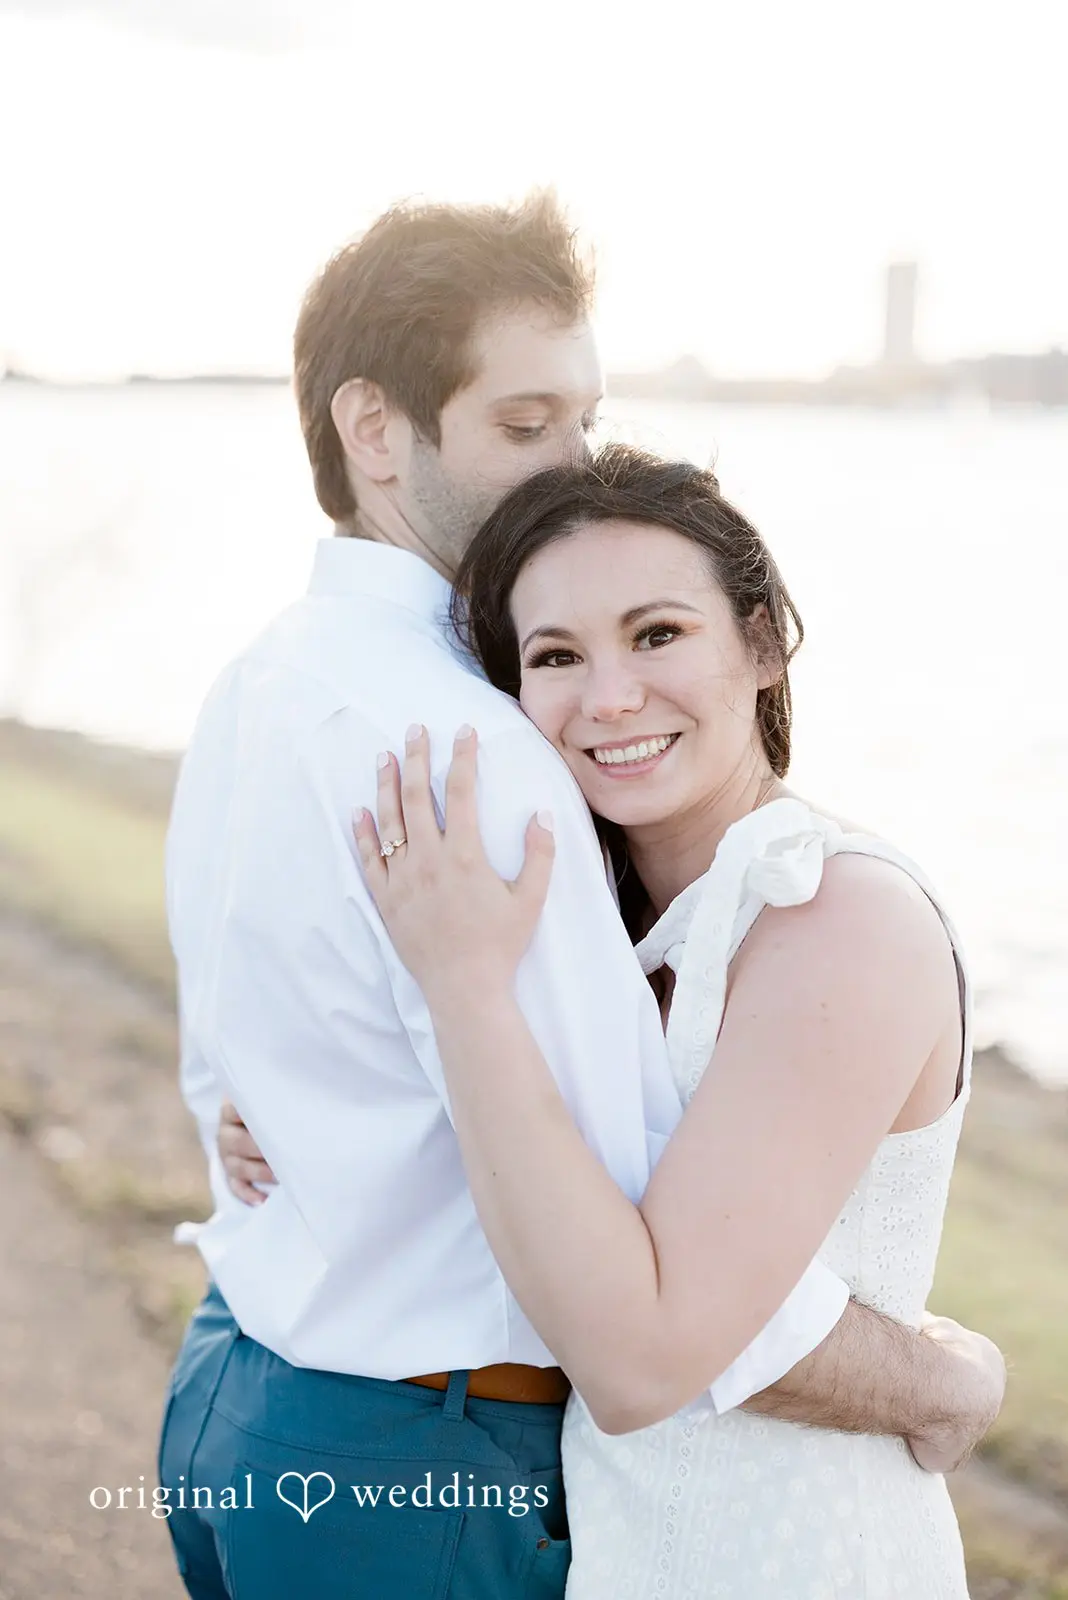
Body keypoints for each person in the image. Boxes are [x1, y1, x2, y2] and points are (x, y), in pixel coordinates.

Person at [163, 195, 1002, 1600]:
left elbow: (249, 1054)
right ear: (377, 432)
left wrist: (304, 1101)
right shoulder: (479, 753)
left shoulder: (260, 681)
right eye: (529, 422)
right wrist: (939, 1376)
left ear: (762, 646)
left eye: (584, 416)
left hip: (241, 1385)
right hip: (418, 1454)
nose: (579, 458)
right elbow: (655, 1309)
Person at [349, 441, 994, 1597]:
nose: (608, 698)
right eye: (556, 655)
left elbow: (641, 1356)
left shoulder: (836, 916)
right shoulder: (611, 922)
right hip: (627, 1553)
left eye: (657, 634)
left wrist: (461, 988)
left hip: (804, 1561)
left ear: (761, 640)